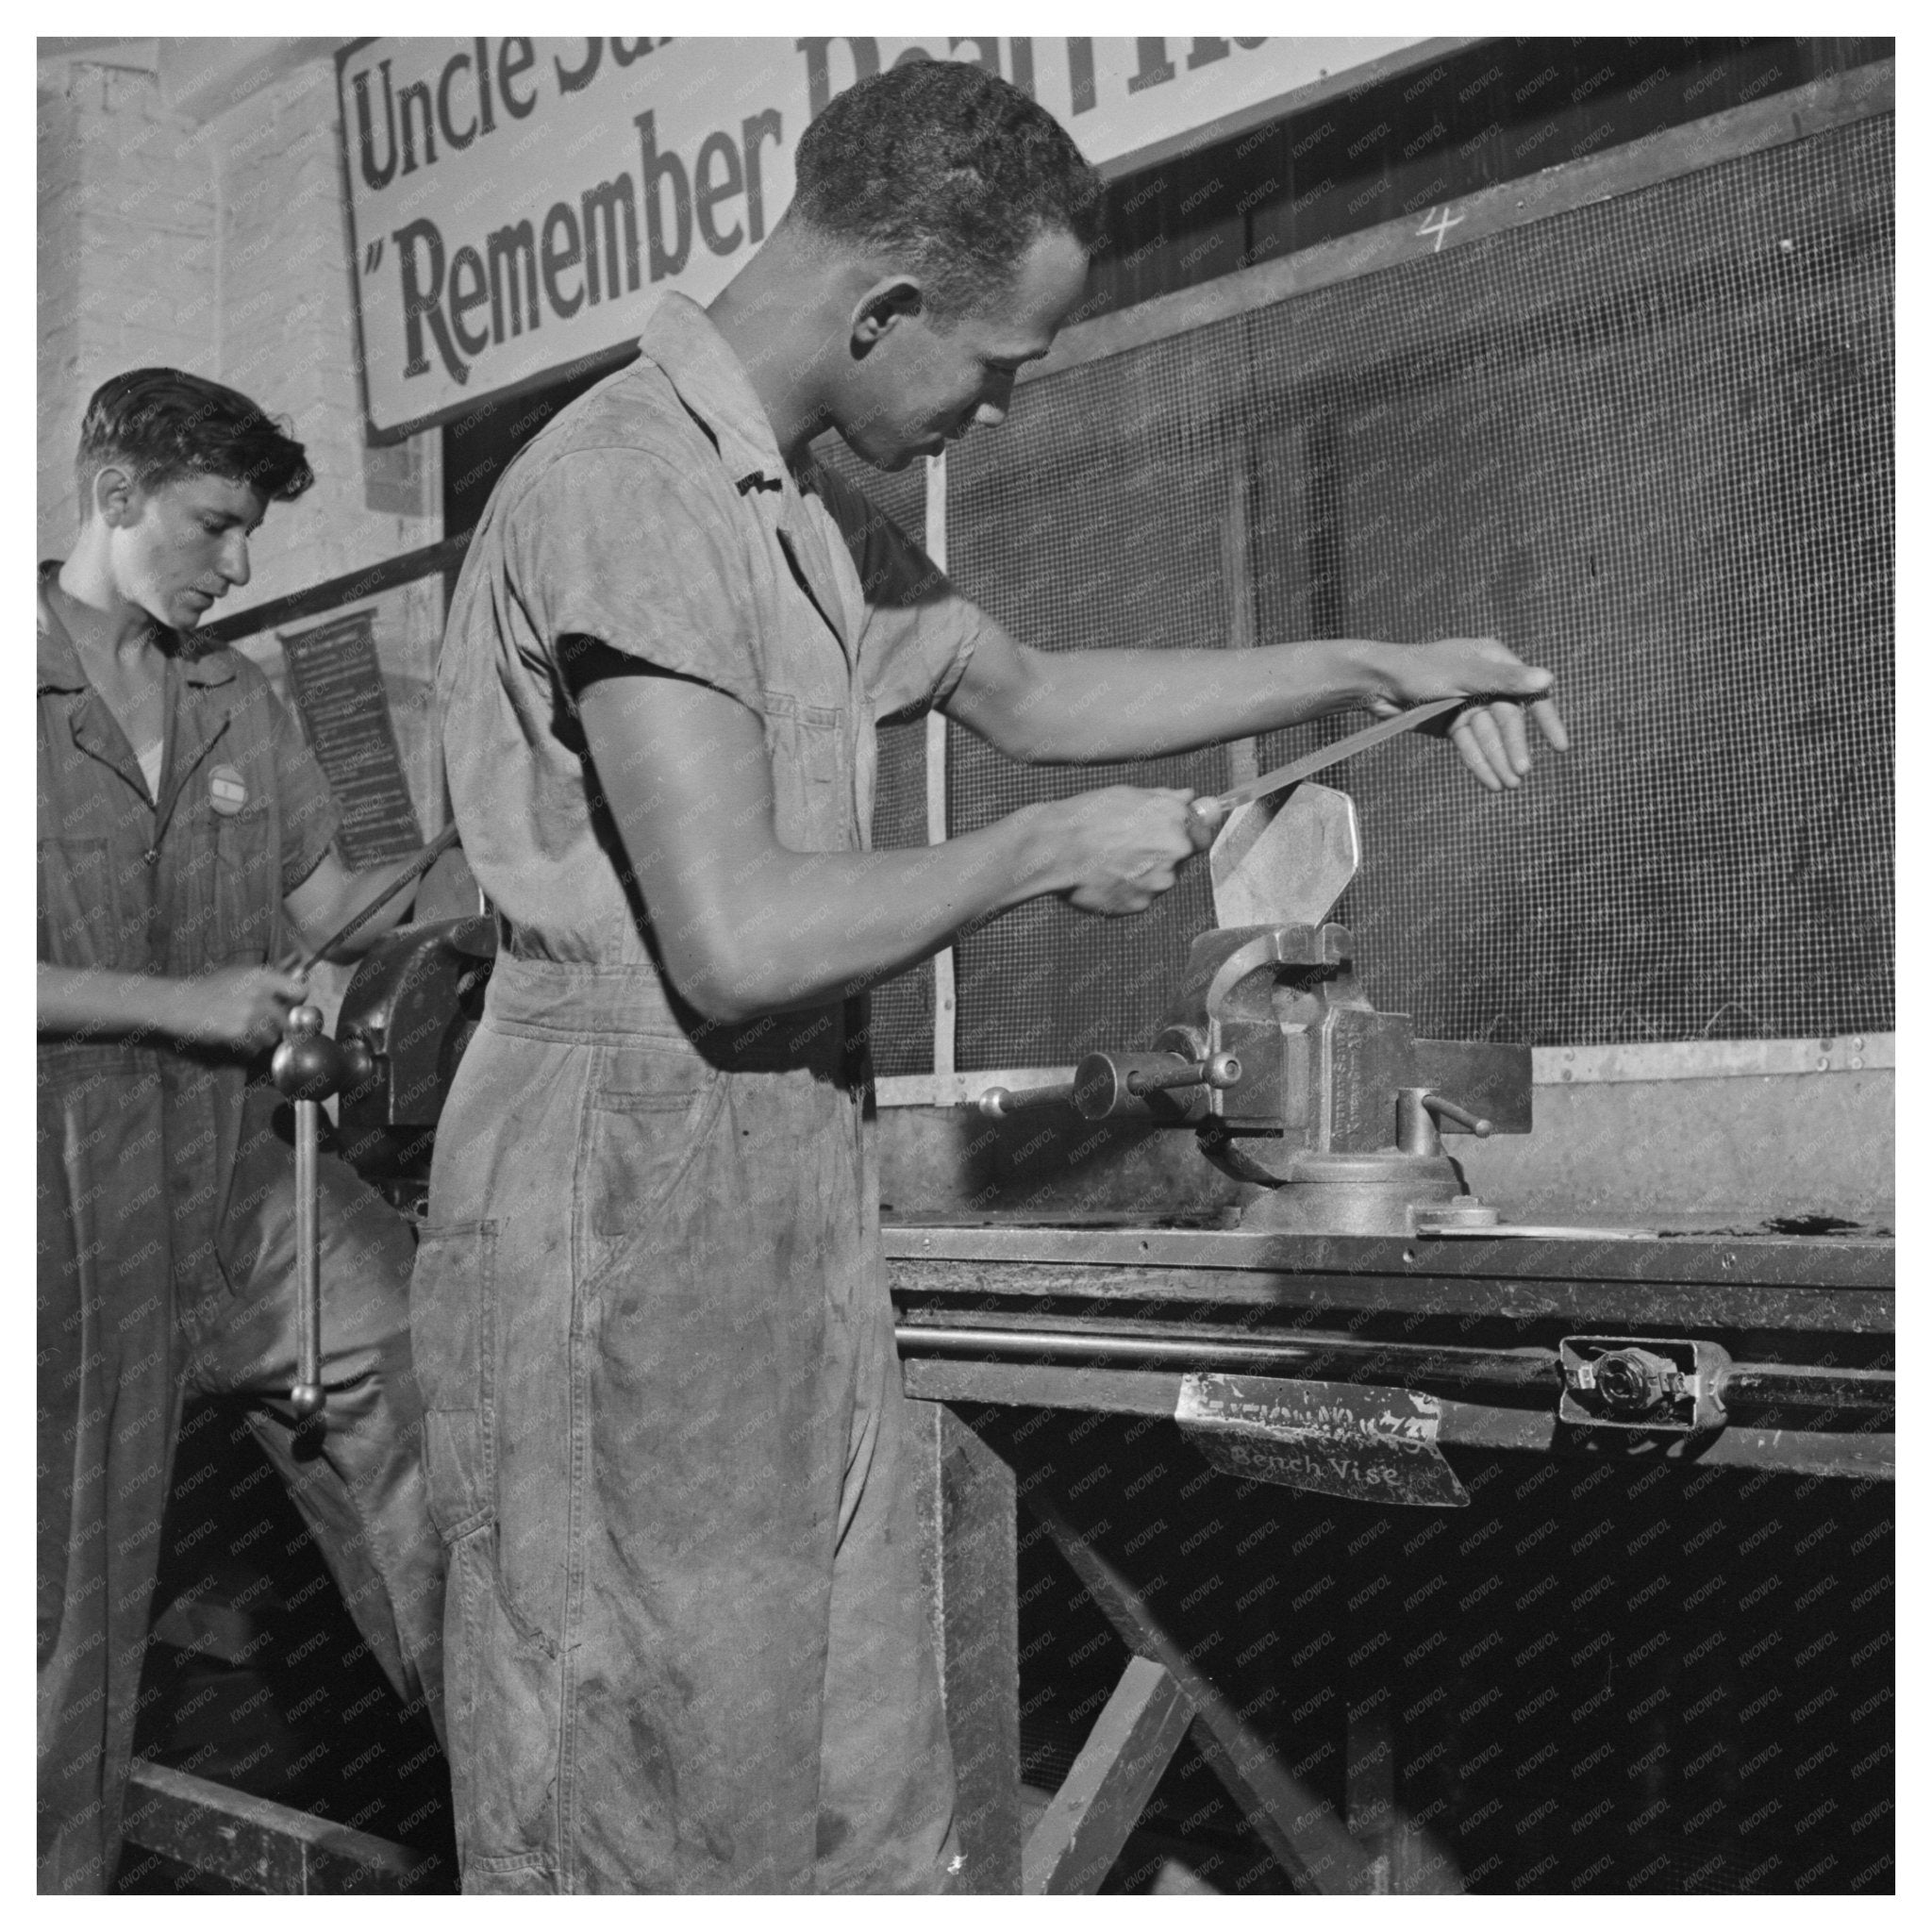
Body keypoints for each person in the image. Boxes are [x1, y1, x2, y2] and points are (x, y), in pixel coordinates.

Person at [429, 59, 1568, 1894]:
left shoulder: (791, 506)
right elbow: (732, 938)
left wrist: (1382, 665)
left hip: (784, 1209)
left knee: (864, 1808)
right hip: (612, 1230)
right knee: (644, 1829)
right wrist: (1035, 857)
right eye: (995, 367)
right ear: (882, 306)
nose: (1000, 406)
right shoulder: (630, 488)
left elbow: (1024, 696)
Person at [37, 369, 447, 1892]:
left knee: (434, 1395)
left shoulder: (236, 697)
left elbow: (332, 906)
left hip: (248, 1176)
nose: (239, 565)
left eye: (254, 534)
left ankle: (547, 1835)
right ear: (117, 491)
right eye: (217, 525)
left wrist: (500, 839)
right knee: (63, 1611)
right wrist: (177, 1002)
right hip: (62, 1198)